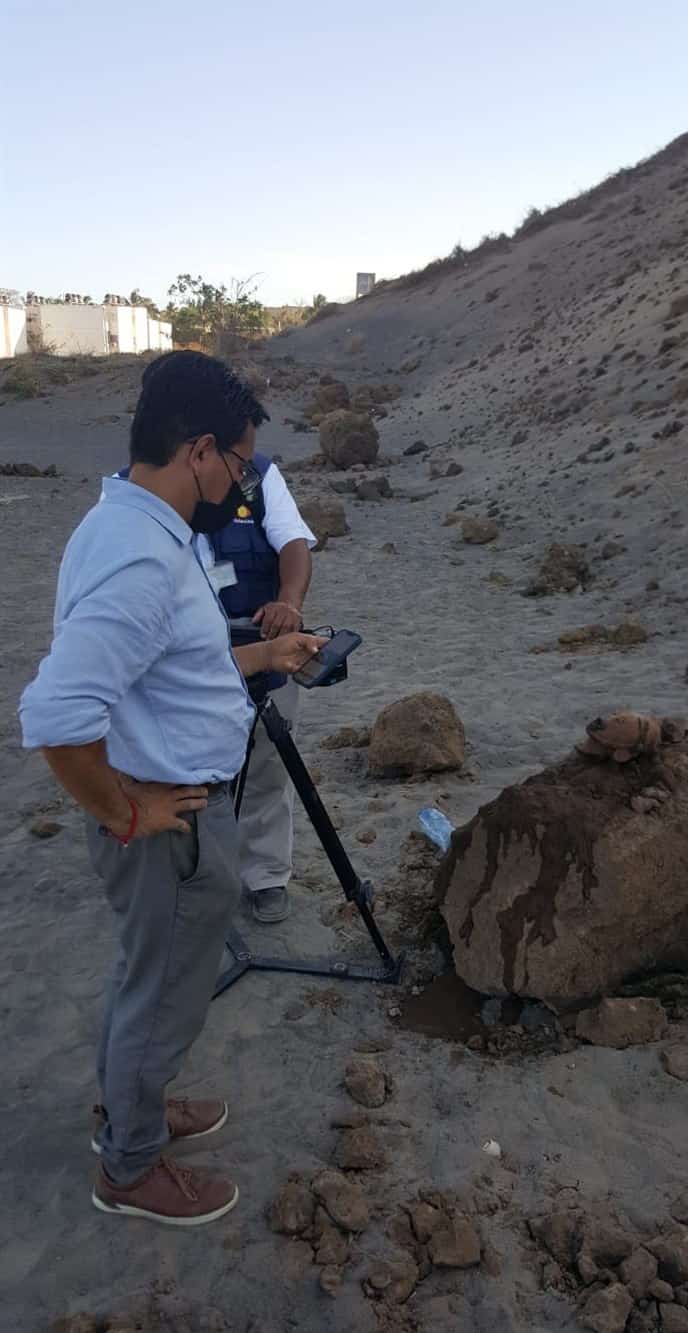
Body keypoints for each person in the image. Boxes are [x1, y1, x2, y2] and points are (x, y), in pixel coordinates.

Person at [18, 350, 325, 1226]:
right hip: (164, 815)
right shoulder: (143, 558)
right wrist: (127, 811)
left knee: (145, 972)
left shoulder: (133, 526)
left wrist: (264, 655)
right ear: (198, 451)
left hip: (172, 802)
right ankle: (130, 1166)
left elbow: (170, 665)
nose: (241, 483)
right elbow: (55, 714)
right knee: (164, 987)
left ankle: (131, 1108)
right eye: (237, 463)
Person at [193, 437, 315, 925]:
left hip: (264, 638)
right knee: (194, 773)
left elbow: (293, 543)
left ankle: (265, 877)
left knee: (267, 762)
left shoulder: (259, 476)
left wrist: (289, 602)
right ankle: (197, 880)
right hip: (192, 651)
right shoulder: (135, 490)